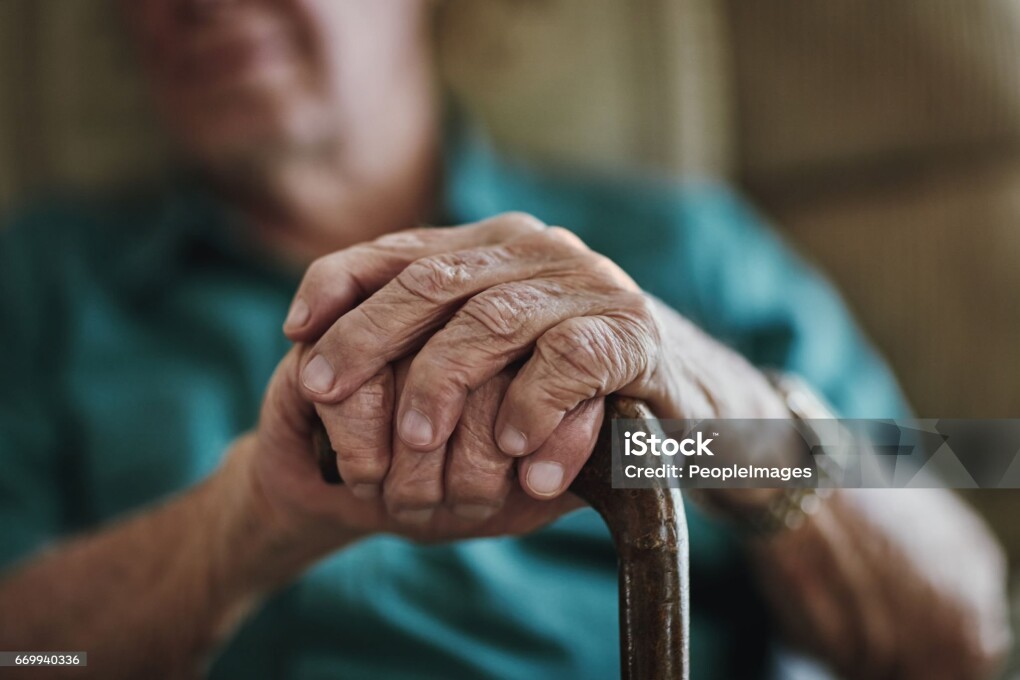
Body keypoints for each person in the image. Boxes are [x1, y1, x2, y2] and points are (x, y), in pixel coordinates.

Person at [0, 1, 1010, 678]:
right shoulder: (42, 282)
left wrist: (712, 420)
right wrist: (239, 527)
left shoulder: (687, 244)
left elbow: (965, 621)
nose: (196, 3)